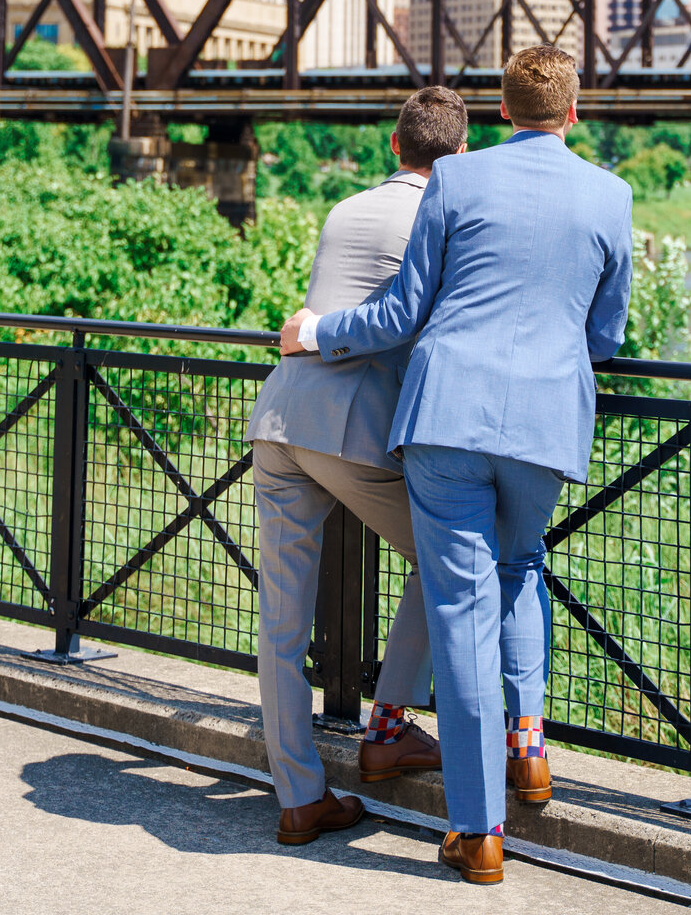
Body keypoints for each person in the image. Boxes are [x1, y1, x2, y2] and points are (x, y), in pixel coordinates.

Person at [281, 46, 633, 885]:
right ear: (572, 113)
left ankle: (479, 833)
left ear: (502, 113)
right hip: (545, 422)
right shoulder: (611, 196)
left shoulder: (458, 181)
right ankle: (530, 752)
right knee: (520, 569)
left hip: (447, 417)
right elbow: (607, 336)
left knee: (463, 604)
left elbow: (403, 311)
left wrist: (315, 332)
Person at [248, 84, 469, 845]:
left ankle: (300, 798)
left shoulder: (346, 208)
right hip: (351, 430)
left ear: (393, 147)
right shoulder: (442, 214)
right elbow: (410, 322)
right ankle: (388, 724)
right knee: (448, 554)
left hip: (279, 417)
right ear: (462, 154)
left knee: (280, 622)